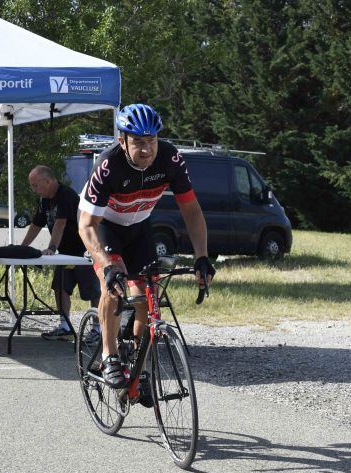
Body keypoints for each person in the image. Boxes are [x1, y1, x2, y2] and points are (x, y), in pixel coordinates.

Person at [78, 103, 215, 389]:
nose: (146, 149)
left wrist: (202, 257)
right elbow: (87, 226)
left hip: (139, 226)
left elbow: (191, 211)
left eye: (151, 140)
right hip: (104, 227)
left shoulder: (169, 158)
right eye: (138, 142)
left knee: (148, 298)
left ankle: (137, 370)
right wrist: (107, 266)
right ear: (122, 141)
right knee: (113, 286)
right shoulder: (108, 165)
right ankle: (109, 356)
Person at [22, 165, 100, 340]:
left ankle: (97, 329)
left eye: (35, 185)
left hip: (83, 252)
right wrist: (22, 247)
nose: (34, 189)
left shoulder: (65, 195)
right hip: (65, 254)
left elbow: (60, 223)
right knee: (60, 287)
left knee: (93, 291)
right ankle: (65, 326)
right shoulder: (45, 199)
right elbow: (36, 224)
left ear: (48, 181)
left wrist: (51, 248)